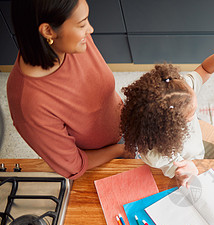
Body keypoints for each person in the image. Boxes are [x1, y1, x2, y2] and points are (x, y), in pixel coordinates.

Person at [7, 0, 131, 180]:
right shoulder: (29, 103)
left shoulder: (71, 42)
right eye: (82, 24)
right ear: (48, 31)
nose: (90, 30)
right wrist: (121, 149)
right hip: (102, 159)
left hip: (126, 127)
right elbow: (73, 165)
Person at [120, 21, 214, 186]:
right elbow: (179, 172)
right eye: (192, 115)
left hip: (199, 150)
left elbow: (204, 70)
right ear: (170, 127)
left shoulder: (179, 91)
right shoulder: (155, 155)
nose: (195, 115)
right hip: (186, 165)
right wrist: (190, 170)